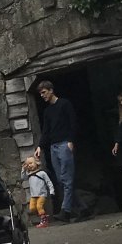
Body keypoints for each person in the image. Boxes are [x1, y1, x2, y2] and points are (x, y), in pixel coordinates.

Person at [33, 80, 82, 222]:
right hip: (53, 146)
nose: (42, 95)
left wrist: (71, 140)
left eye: (44, 92)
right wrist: (40, 146)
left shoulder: (64, 104)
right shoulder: (47, 111)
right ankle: (84, 209)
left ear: (51, 90)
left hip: (65, 144)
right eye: (40, 93)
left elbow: (73, 122)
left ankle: (65, 211)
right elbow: (46, 130)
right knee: (61, 180)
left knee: (67, 179)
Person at [22, 155, 55, 227]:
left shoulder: (42, 173)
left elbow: (48, 182)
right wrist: (23, 169)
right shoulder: (29, 174)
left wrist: (52, 190)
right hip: (33, 195)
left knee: (39, 206)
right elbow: (23, 178)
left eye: (31, 163)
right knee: (32, 208)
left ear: (36, 163)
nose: (29, 165)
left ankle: (44, 221)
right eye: (27, 164)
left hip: (42, 194)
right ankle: (42, 216)